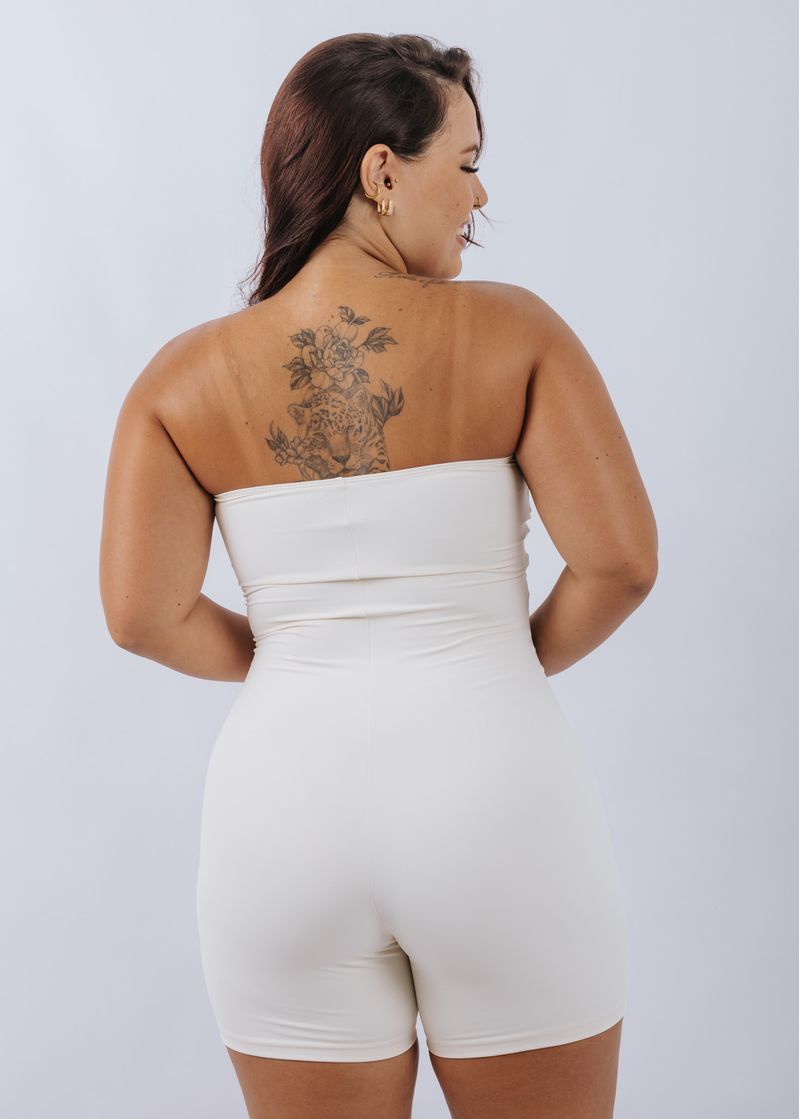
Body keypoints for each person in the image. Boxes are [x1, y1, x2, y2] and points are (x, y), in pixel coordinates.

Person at [99, 31, 657, 1119]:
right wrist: (486, 660)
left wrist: (298, 657)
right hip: (493, 796)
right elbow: (620, 565)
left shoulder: (178, 381)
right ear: (381, 170)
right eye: (467, 162)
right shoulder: (514, 333)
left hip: (279, 817)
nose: (479, 193)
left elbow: (141, 615)